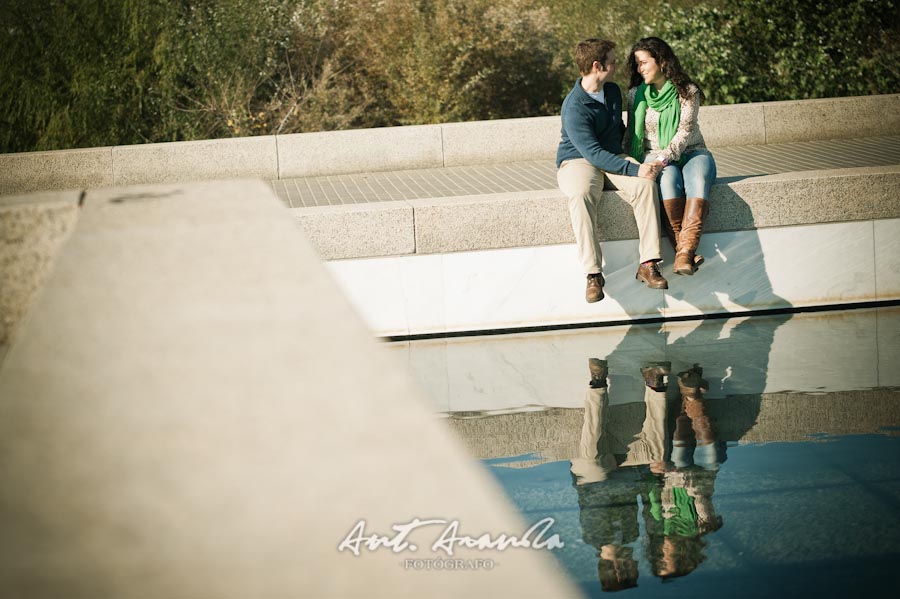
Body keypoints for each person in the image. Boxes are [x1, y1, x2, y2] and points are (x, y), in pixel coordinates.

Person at [557, 38, 668, 304]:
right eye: (613, 61)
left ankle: (649, 263)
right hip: (578, 160)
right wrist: (632, 168)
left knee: (645, 185)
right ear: (597, 66)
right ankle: (593, 274)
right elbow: (593, 154)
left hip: (612, 156)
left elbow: (619, 132)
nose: (617, 65)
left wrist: (642, 161)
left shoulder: (613, 92)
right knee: (581, 193)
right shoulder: (574, 106)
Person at [625, 37, 717, 276]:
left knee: (696, 181)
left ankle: (684, 253)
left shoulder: (687, 92)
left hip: (691, 151)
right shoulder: (636, 95)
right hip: (652, 156)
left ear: (662, 62)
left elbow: (684, 132)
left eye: (644, 62)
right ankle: (685, 252)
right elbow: (630, 134)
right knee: (667, 181)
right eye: (637, 64)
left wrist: (661, 160)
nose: (639, 69)